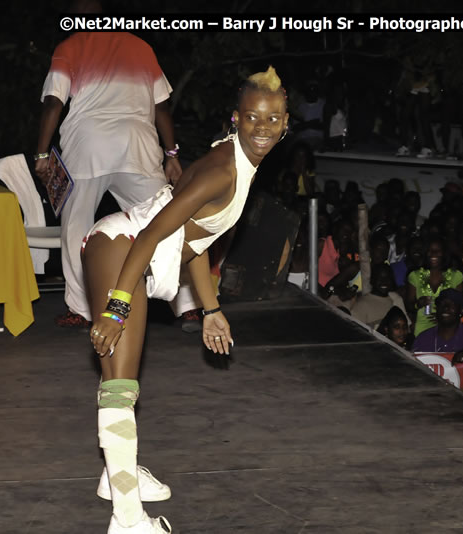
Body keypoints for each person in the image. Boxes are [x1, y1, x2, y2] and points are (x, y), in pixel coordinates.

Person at [82, 67, 288, 533]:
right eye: (253, 117)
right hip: (125, 248)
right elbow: (155, 232)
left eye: (272, 119)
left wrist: (211, 309)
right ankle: (128, 520)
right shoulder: (223, 170)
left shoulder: (240, 163)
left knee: (121, 379)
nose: (262, 128)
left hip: (140, 253)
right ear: (236, 119)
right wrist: (118, 308)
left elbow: (193, 243)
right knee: (120, 381)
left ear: (286, 123)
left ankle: (117, 475)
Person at [35, 8, 182, 328]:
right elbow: (161, 107)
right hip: (138, 145)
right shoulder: (141, 47)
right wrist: (171, 154)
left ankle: (81, 309)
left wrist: (41, 154)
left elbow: (53, 104)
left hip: (88, 146)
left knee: (76, 228)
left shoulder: (70, 47)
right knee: (167, 220)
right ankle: (187, 303)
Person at [406, 237, 463, 336]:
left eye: (438, 250)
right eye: (430, 250)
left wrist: (445, 318)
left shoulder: (456, 276)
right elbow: (409, 306)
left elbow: (462, 307)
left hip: (448, 328)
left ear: (444, 253)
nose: (433, 253)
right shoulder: (415, 276)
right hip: (422, 328)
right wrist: (418, 304)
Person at [412, 289, 463, 356]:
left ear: (461, 311)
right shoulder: (423, 338)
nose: (445, 307)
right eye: (441, 304)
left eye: (452, 304)